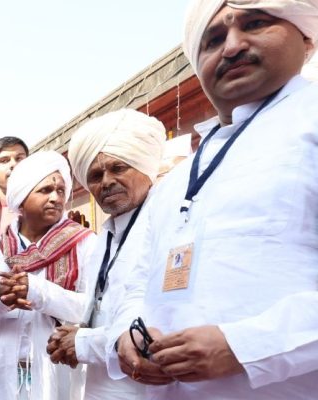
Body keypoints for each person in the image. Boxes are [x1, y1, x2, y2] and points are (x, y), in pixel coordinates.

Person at [109, 1, 318, 399]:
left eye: (255, 24)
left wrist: (246, 346)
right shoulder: (178, 178)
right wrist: (128, 333)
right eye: (213, 40)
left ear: (305, 36)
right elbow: (136, 283)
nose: (233, 47)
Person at [46, 109, 166, 400]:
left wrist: (84, 343)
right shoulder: (104, 238)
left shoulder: (167, 224)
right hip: (101, 386)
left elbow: (159, 325)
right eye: (96, 175)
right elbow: (106, 308)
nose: (107, 181)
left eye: (118, 168)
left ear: (144, 167)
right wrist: (79, 331)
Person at [0, 151, 96, 399]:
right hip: (2, 377)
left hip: (58, 375)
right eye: (45, 190)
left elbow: (91, 310)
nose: (56, 198)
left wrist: (37, 291)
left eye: (60, 191)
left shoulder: (84, 244)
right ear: (21, 200)